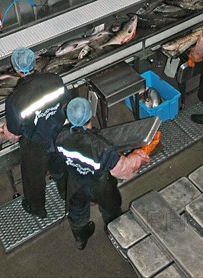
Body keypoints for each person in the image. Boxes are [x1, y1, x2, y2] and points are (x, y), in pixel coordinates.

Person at [56, 98, 150, 250]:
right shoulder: (102, 148)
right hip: (101, 186)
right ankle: (114, 230)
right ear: (89, 117)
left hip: (76, 183)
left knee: (77, 208)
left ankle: (80, 237)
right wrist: (137, 157)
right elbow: (123, 170)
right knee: (111, 208)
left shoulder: (61, 138)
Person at [3, 47, 71, 218]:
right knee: (61, 167)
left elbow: (15, 130)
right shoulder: (54, 79)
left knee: (33, 179)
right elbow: (66, 102)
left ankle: (37, 208)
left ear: (16, 70)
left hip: (35, 145)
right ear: (35, 62)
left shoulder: (14, 100)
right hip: (58, 134)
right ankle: (66, 192)